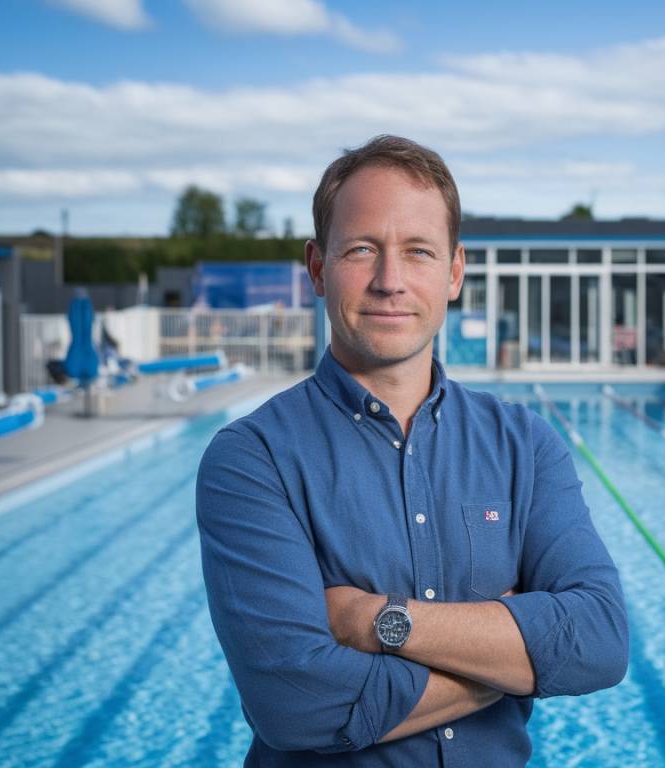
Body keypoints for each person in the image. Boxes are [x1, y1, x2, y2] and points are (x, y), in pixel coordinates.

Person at [196, 135, 629, 767]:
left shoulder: (525, 445)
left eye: (418, 252)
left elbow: (601, 639)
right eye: (362, 249)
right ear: (318, 268)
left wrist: (374, 620)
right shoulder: (252, 459)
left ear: (454, 272)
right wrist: (510, 657)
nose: (389, 281)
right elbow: (296, 706)